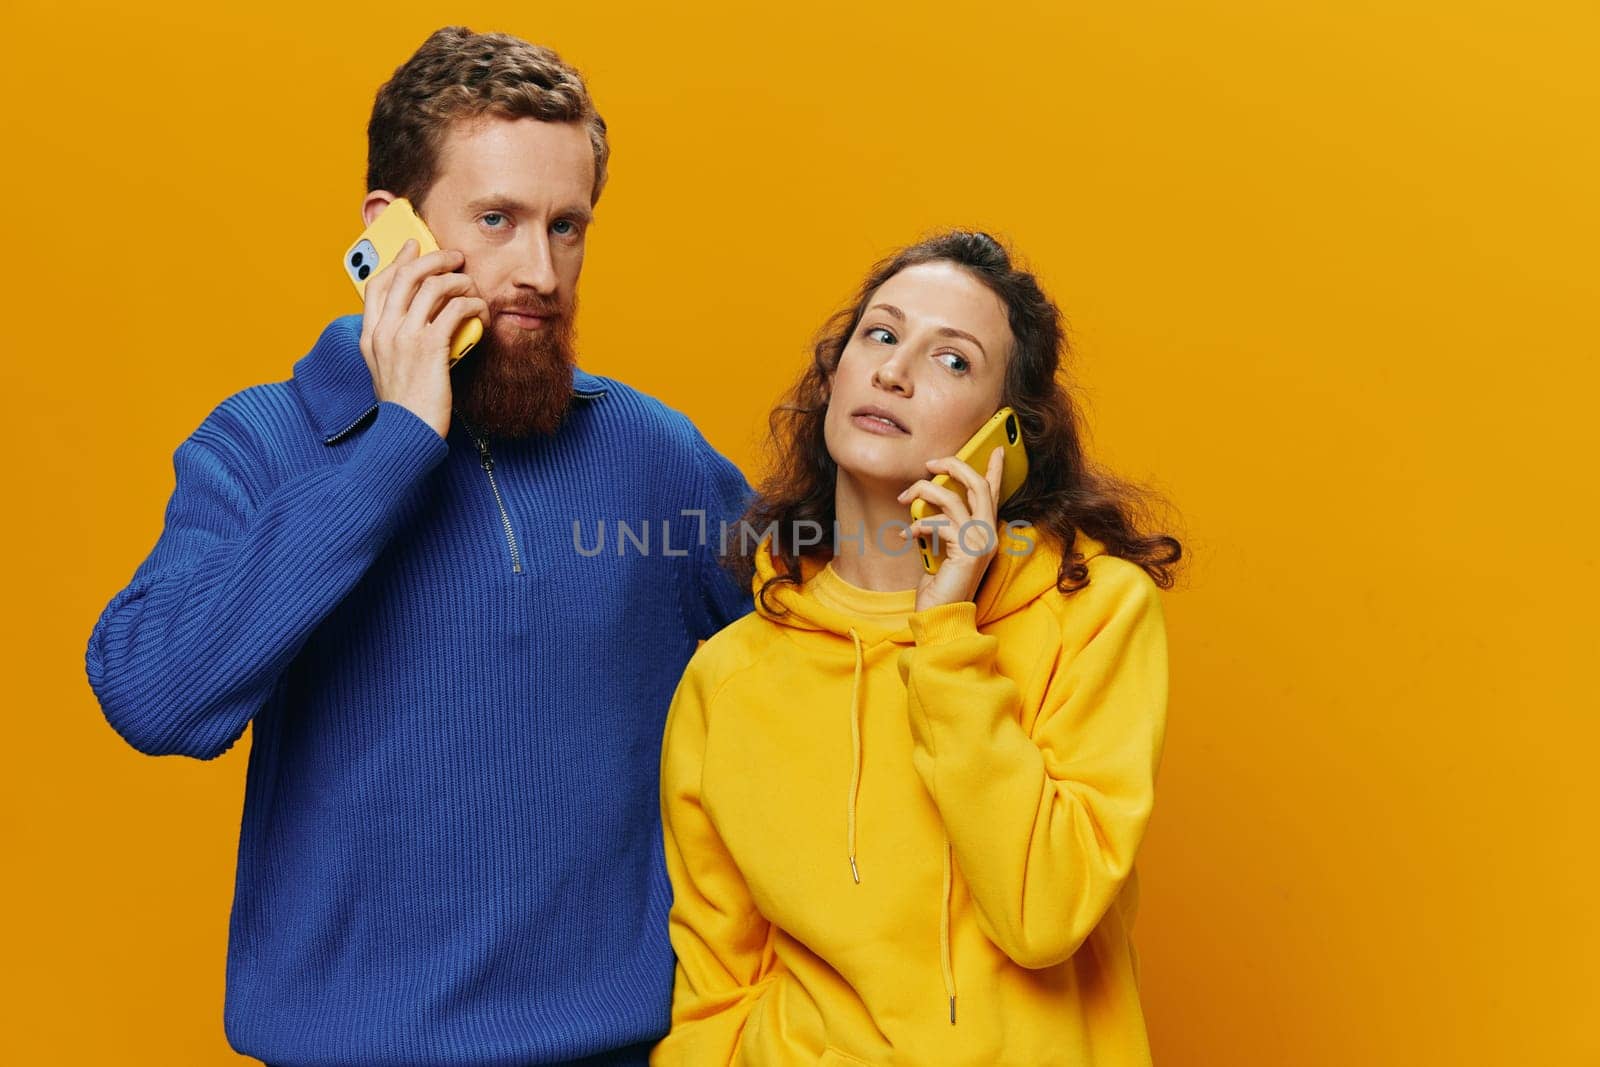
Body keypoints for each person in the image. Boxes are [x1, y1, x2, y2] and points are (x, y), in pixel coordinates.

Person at [83, 26, 752, 1067]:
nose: (539, 270)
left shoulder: (649, 455)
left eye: (567, 226)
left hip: (625, 1047)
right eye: (497, 220)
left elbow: (822, 650)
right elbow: (156, 697)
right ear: (389, 228)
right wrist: (395, 442)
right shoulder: (264, 443)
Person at [651, 231, 1184, 1065]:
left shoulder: (1094, 611)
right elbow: (713, 997)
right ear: (834, 373)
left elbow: (1043, 912)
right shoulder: (728, 677)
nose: (895, 372)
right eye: (882, 334)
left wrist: (944, 631)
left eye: (954, 361)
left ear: (1006, 437)